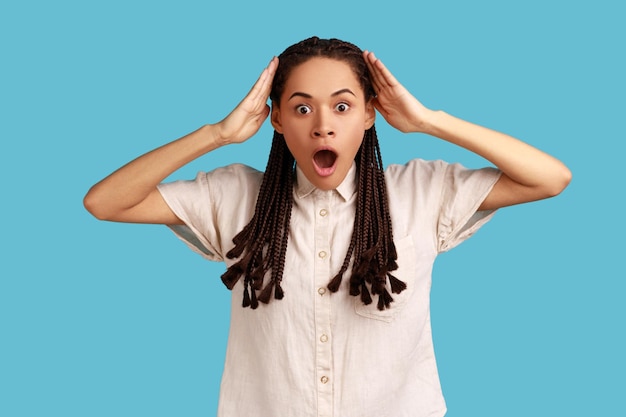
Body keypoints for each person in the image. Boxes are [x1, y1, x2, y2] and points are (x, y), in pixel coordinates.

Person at [84, 37, 571, 417]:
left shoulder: (422, 191)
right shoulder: (233, 196)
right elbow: (104, 202)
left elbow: (551, 178)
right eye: (301, 108)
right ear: (275, 120)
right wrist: (218, 134)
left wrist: (430, 121)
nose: (322, 126)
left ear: (369, 115)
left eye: (342, 106)